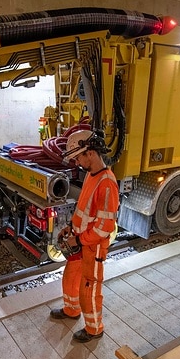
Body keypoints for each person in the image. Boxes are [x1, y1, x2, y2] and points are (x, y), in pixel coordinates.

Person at [50, 129, 119, 342]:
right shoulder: (91, 175)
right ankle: (71, 310)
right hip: (81, 241)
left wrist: (79, 240)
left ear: (90, 153)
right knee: (70, 277)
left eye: (79, 156)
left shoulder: (107, 183)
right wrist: (71, 227)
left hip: (93, 247)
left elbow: (104, 228)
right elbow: (84, 209)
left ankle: (94, 329)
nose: (78, 161)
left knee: (89, 289)